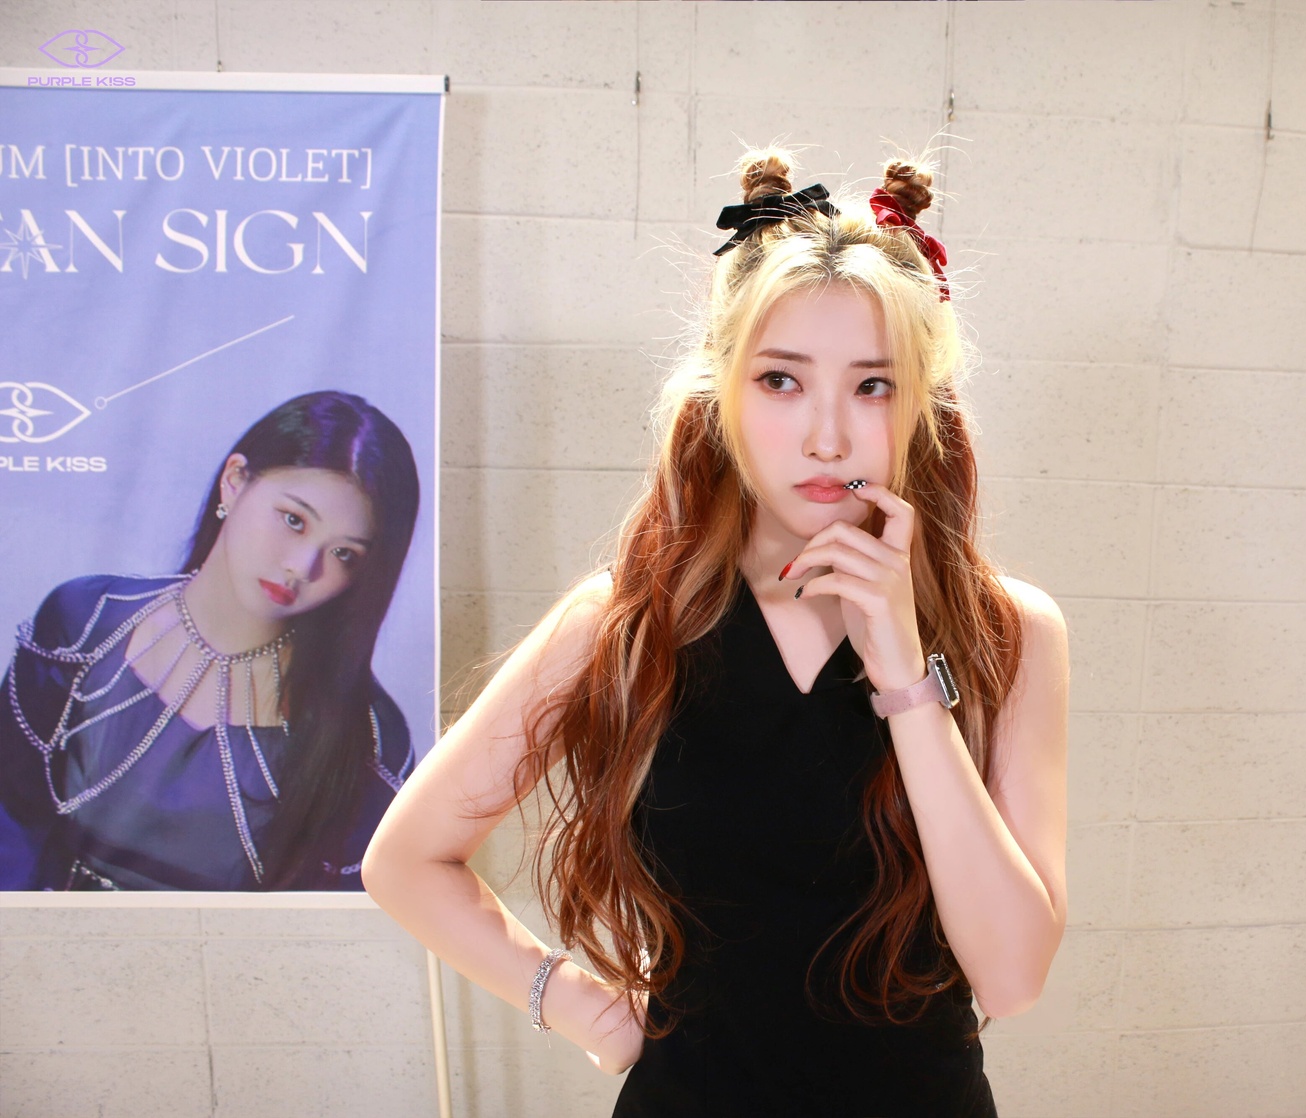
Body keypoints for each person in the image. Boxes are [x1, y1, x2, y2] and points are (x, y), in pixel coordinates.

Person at [364, 149, 1069, 1116]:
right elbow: (404, 860)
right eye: (781, 381)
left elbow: (1013, 978)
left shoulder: (1007, 632)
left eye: (872, 386)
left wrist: (904, 674)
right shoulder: (626, 623)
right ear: (722, 393)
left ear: (921, 406)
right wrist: (584, 1011)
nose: (827, 435)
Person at [0, 390, 421, 891]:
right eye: (293, 520)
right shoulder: (83, 623)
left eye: (344, 554)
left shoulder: (367, 733)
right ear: (234, 481)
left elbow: (336, 920)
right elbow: (9, 819)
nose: (302, 566)